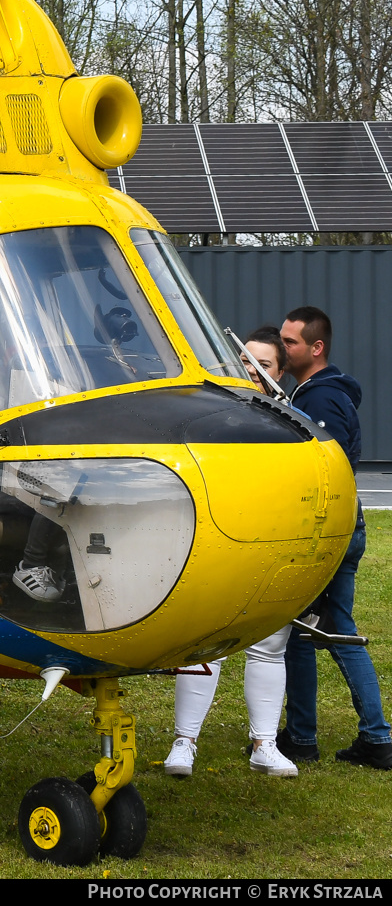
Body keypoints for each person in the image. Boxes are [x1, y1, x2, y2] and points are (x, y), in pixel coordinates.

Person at [162, 326, 299, 778]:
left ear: (279, 374)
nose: (252, 372)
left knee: (269, 647)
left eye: (264, 366)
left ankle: (265, 743)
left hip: (273, 548)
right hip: (219, 546)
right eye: (245, 362)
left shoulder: (289, 424)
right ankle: (184, 741)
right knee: (205, 645)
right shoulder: (206, 416)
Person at [277, 305, 390, 770]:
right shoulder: (312, 392)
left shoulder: (320, 399)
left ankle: (369, 738)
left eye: (290, 343)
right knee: (312, 633)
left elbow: (329, 470)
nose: (283, 349)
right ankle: (311, 737)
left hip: (331, 531)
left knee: (326, 630)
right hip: (341, 529)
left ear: (316, 347)